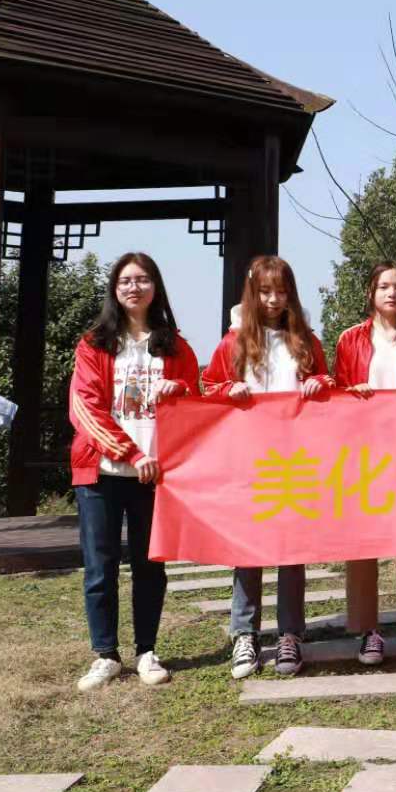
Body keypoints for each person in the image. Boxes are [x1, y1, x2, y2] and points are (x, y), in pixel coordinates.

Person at [67, 253, 199, 692]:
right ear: (115, 289)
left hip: (155, 474)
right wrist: (130, 452)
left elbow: (197, 405)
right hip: (101, 471)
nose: (134, 287)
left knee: (149, 566)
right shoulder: (94, 344)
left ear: (155, 287)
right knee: (100, 567)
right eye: (125, 280)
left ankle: (147, 651)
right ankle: (105, 654)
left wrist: (180, 389)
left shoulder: (176, 347)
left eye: (142, 279)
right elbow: (84, 408)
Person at [203, 255, 332, 679]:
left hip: (295, 459)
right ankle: (245, 633)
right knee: (248, 549)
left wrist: (319, 384)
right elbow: (209, 387)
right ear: (253, 294)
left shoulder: (306, 341)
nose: (273, 300)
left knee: (292, 549)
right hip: (248, 458)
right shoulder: (234, 342)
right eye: (265, 292)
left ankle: (290, 633)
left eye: (281, 291)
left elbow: (329, 385)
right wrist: (229, 390)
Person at [333, 261, 396, 668]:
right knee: (363, 543)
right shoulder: (350, 340)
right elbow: (336, 393)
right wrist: (351, 391)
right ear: (371, 293)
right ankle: (367, 630)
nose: (391, 293)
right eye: (383, 287)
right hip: (363, 453)